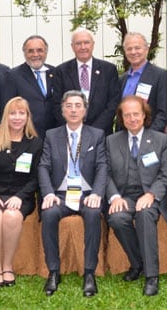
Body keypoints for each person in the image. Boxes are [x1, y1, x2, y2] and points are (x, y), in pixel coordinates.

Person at [38, 90, 108, 297]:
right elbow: (43, 166)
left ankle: (89, 272)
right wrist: (48, 193)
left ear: (85, 110)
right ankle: (53, 271)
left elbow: (103, 166)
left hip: (87, 193)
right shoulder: (52, 135)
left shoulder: (97, 135)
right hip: (60, 193)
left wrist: (97, 193)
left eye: (78, 105)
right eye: (69, 105)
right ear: (62, 110)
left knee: (94, 214)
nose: (74, 110)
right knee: (49, 214)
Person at [105, 96, 167, 296]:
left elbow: (166, 174)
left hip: (149, 196)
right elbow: (105, 173)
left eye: (136, 114)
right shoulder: (111, 141)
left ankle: (152, 276)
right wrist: (115, 197)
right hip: (124, 196)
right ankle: (137, 263)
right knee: (117, 219)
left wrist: (152, 194)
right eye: (127, 115)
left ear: (144, 115)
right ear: (121, 118)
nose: (132, 118)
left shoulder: (161, 140)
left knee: (144, 216)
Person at [0, 97, 42, 289]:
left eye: (22, 113)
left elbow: (36, 177)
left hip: (21, 195)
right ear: (6, 116)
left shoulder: (35, 143)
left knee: (11, 216)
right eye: (13, 113)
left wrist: (20, 197)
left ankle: (8, 266)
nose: (17, 118)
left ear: (28, 117)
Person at [53, 28, 121, 135]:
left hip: (101, 133)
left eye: (86, 43)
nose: (83, 47)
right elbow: (57, 104)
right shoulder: (61, 71)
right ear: (72, 46)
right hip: (71, 133)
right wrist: (74, 127)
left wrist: (94, 130)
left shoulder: (108, 70)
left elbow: (113, 103)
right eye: (78, 43)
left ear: (93, 44)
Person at [0, 35, 57, 136]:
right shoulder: (11, 76)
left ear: (46, 52)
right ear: (24, 53)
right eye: (30, 51)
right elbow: (5, 108)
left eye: (39, 50)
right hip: (26, 136)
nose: (35, 54)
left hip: (53, 135)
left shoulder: (56, 73)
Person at [119, 32, 167, 132]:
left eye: (137, 48)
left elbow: (163, 113)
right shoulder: (122, 79)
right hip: (123, 139)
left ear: (146, 50)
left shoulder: (160, 76)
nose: (133, 52)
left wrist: (146, 138)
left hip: (149, 138)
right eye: (129, 49)